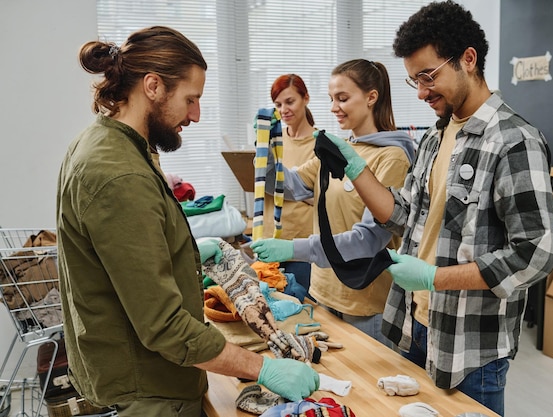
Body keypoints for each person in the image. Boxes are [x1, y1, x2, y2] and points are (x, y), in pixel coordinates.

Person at [56, 26, 318, 417]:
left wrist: (188, 253)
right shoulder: (119, 174)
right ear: (152, 86)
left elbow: (127, 260)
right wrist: (262, 367)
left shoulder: (108, 144)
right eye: (190, 99)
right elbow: (163, 326)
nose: (196, 115)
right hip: (149, 391)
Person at [314, 2, 553, 415]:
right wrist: (355, 168)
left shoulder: (513, 140)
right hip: (414, 327)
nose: (423, 92)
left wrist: (434, 277)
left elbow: (535, 252)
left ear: (468, 59)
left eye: (428, 76)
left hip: (469, 349)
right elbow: (405, 212)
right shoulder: (434, 137)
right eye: (414, 81)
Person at [251, 59, 414, 346]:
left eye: (342, 98)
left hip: (364, 304)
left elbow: (367, 241)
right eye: (331, 99)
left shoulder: (392, 158)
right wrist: (266, 145)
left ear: (371, 97)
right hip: (324, 293)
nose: (333, 107)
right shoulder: (342, 149)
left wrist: (293, 248)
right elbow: (287, 186)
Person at [261, 74, 317, 293]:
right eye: (278, 104)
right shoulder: (272, 141)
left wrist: (297, 190)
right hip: (268, 241)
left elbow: (323, 196)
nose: (283, 109)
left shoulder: (321, 143)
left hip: (300, 248)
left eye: (290, 101)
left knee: (301, 309)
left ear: (306, 98)